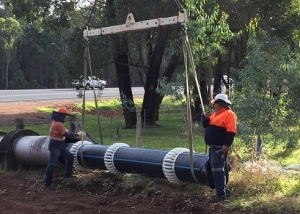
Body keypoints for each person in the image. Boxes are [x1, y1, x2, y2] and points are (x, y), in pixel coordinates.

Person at [201, 93, 237, 202]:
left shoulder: (229, 114)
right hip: (213, 148)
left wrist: (226, 145)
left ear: (221, 103)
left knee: (218, 171)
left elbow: (231, 132)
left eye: (215, 103)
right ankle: (222, 191)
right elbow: (205, 125)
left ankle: (221, 195)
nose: (214, 105)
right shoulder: (215, 114)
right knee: (217, 170)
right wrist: (205, 118)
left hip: (219, 148)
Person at [44, 107, 86, 189]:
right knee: (51, 164)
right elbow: (66, 134)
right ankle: (47, 184)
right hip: (56, 146)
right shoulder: (58, 124)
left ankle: (67, 175)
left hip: (59, 145)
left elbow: (64, 133)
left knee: (70, 157)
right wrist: (78, 134)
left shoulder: (54, 122)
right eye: (64, 116)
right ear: (61, 115)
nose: (64, 118)